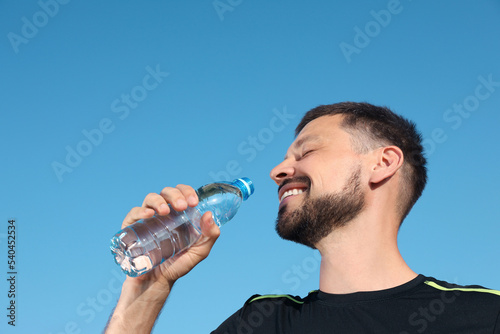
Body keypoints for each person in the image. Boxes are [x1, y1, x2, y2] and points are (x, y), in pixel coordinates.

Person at [105, 102, 500, 333]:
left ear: (382, 163)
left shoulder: (484, 316)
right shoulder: (262, 322)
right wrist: (146, 292)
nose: (278, 170)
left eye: (305, 152)